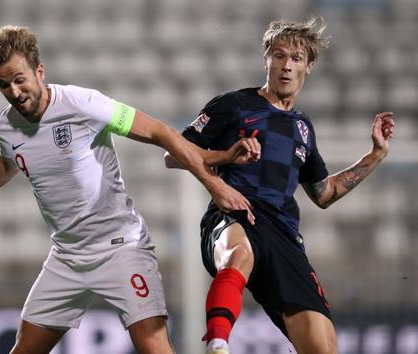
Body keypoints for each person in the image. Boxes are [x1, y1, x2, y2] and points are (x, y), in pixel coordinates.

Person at [0, 25, 260, 354]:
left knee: (155, 348)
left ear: (39, 71)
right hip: (67, 256)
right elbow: (8, 163)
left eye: (20, 79)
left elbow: (160, 133)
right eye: (3, 85)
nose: (14, 91)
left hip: (120, 247)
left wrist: (213, 181)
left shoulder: (82, 104)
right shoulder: (5, 125)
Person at [165, 17, 396, 354]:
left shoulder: (303, 128)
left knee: (323, 346)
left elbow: (324, 194)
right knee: (239, 253)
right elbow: (174, 154)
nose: (286, 66)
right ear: (266, 60)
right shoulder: (234, 105)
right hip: (235, 212)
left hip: (284, 234)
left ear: (309, 66)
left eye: (296, 58)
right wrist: (225, 156)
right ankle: (217, 343)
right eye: (279, 56)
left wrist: (375, 154)